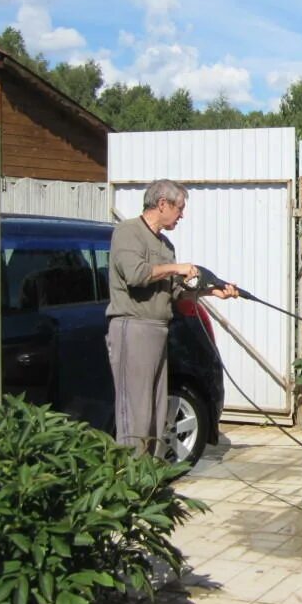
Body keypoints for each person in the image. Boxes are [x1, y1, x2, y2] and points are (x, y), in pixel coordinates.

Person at [106, 179, 238, 457]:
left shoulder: (166, 245)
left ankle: (150, 478)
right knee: (136, 412)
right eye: (179, 208)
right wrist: (176, 268)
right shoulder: (128, 232)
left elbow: (177, 294)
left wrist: (215, 292)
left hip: (159, 330)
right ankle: (129, 480)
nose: (182, 215)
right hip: (134, 327)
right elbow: (136, 274)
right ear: (162, 203)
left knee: (157, 410)